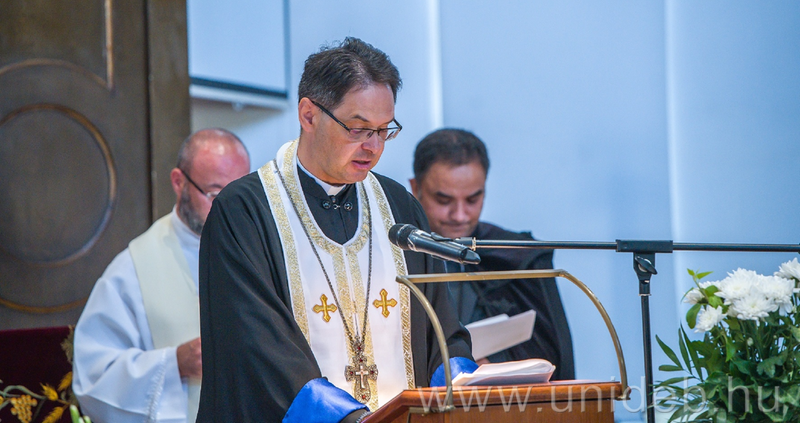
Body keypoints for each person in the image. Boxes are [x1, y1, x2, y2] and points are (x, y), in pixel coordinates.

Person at [196, 38, 476, 423]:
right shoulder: (245, 211)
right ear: (309, 115)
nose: (373, 147)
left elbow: (439, 327)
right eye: (358, 129)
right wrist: (348, 418)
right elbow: (255, 346)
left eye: (384, 130)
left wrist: (465, 391)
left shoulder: (399, 206)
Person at [72, 129, 251, 423]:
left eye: (239, 193)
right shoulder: (132, 270)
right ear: (179, 182)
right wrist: (175, 363)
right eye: (215, 194)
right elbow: (94, 377)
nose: (228, 209)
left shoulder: (260, 253)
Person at [410, 128, 575, 379]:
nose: (459, 215)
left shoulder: (516, 255)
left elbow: (553, 356)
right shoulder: (393, 257)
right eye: (444, 201)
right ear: (415, 188)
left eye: (472, 200)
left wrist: (495, 365)